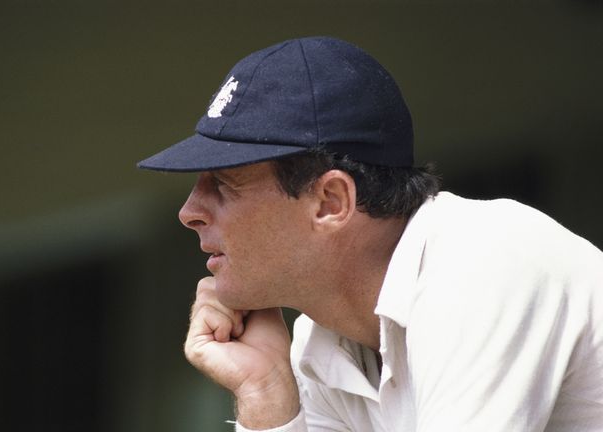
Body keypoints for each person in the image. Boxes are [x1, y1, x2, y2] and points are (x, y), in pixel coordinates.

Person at [137, 36, 603, 431]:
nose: (189, 211)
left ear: (331, 203)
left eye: (223, 184)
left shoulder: (483, 262)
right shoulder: (320, 344)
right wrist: (266, 393)